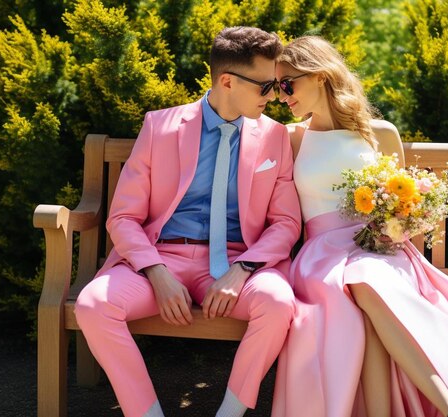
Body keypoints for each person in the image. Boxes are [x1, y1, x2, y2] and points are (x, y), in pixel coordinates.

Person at [75, 26, 302, 417]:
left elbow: (285, 223)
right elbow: (124, 216)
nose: (274, 97)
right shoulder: (159, 126)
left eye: (277, 86)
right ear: (227, 80)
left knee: (278, 303)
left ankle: (229, 413)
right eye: (265, 87)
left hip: (238, 263)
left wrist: (242, 269)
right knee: (94, 305)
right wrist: (157, 272)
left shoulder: (275, 138)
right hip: (161, 259)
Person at [271, 36, 448, 417]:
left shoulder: (378, 133)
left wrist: (394, 226)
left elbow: (405, 208)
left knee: (367, 285)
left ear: (319, 76)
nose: (282, 96)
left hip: (380, 251)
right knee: (361, 284)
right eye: (278, 87)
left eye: (287, 84)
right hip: (321, 260)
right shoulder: (291, 138)